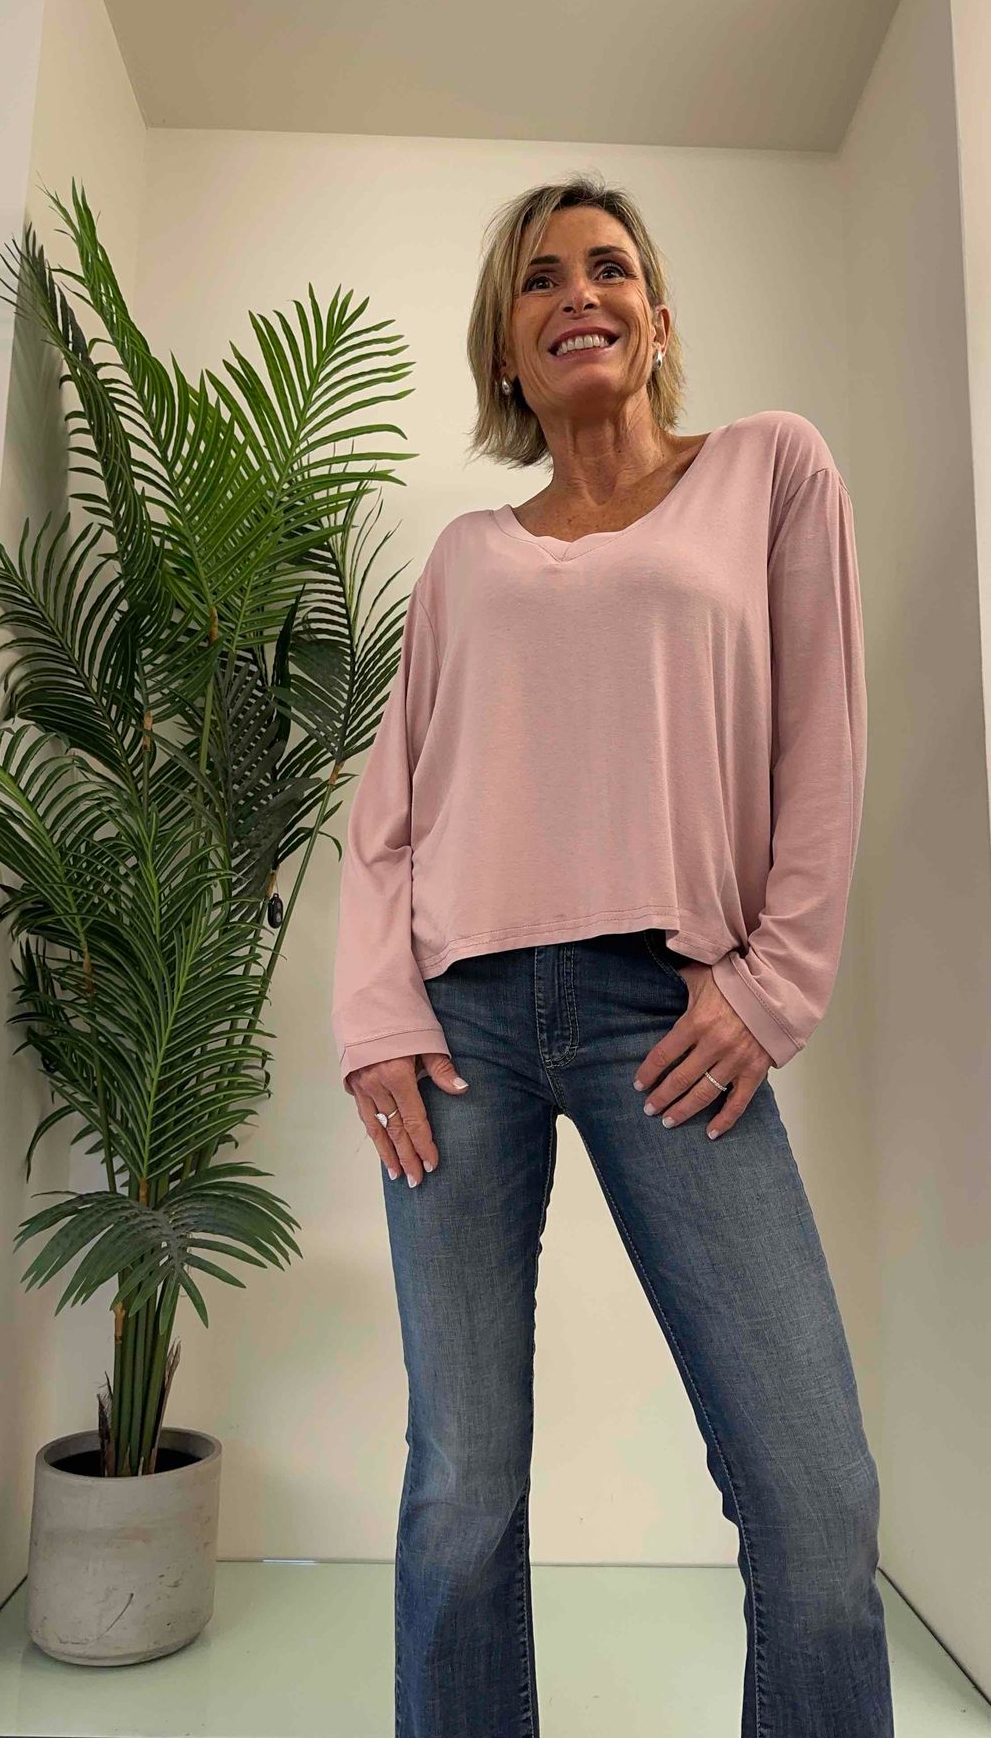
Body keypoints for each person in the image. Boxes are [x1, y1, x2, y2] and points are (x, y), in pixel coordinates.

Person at [330, 171, 894, 1737]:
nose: (577, 292)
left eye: (608, 267)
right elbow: (388, 816)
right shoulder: (464, 558)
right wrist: (376, 1018)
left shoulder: (769, 470)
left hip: (670, 1010)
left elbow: (822, 747)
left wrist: (772, 986)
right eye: (538, 279)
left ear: (654, 319)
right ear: (505, 350)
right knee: (459, 1489)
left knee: (814, 1495)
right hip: (460, 1028)